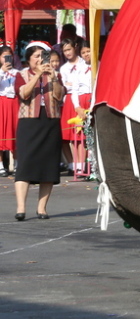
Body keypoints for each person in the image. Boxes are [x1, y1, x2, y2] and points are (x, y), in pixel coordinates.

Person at [14, 42, 65, 221]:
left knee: (48, 165)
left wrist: (53, 78)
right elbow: (24, 94)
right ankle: (21, 208)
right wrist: (37, 76)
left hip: (50, 122)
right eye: (36, 56)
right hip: (29, 123)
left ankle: (42, 208)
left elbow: (59, 96)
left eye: (42, 56)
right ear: (28, 59)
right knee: (25, 164)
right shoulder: (21, 75)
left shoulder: (56, 74)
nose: (40, 60)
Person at [59, 38, 90, 175]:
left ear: (75, 48)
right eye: (64, 50)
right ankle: (74, 164)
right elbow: (65, 85)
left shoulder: (85, 63)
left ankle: (83, 164)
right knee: (70, 134)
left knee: (83, 134)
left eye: (69, 49)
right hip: (71, 100)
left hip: (85, 99)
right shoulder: (64, 68)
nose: (67, 53)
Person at [0, 44, 19, 177]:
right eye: (4, 56)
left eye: (9, 56)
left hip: (14, 103)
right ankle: (1, 165)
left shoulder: (17, 72)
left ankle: (17, 163)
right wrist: (2, 71)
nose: (7, 59)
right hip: (1, 102)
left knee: (15, 132)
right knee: (1, 132)